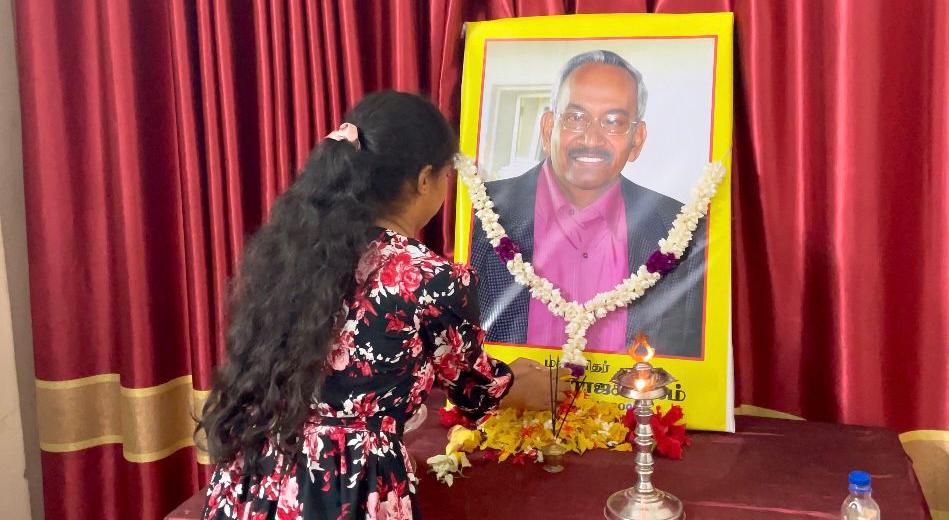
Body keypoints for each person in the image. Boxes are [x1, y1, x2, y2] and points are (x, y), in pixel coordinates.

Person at [199, 91, 567, 520]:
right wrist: (521, 383)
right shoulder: (429, 278)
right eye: (446, 176)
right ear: (425, 179)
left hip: (255, 475)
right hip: (343, 489)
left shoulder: (291, 250)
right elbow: (474, 389)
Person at [471, 50, 707, 358]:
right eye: (576, 118)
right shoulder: (477, 213)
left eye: (614, 122)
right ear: (548, 129)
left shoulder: (685, 231)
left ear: (637, 140)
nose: (592, 139)